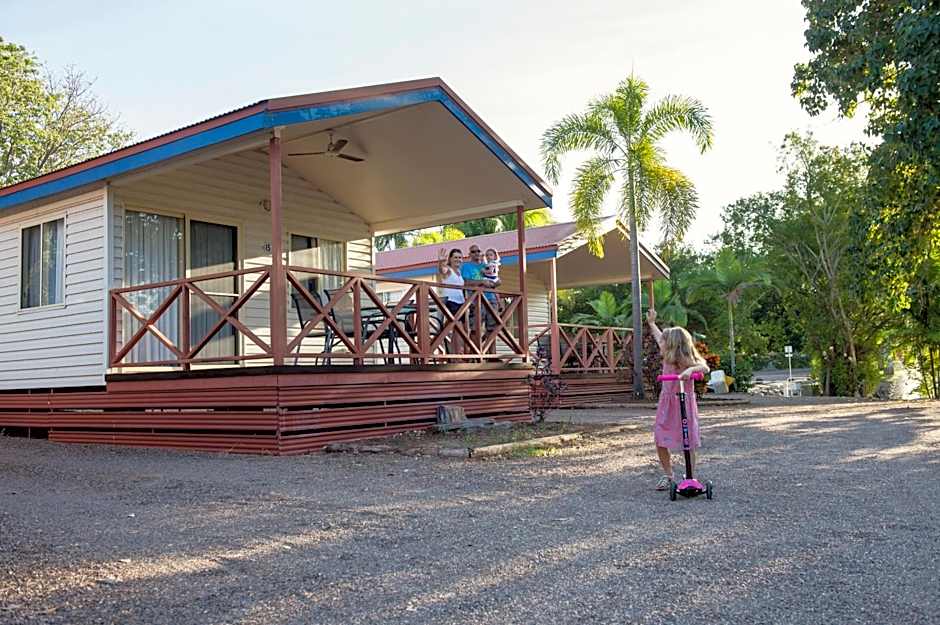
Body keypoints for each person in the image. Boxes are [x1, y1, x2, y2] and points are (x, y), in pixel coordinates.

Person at [646, 308, 710, 490]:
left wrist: (690, 371)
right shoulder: (667, 355)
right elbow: (659, 336)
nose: (661, 342)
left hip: (684, 402)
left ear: (673, 344)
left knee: (687, 439)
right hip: (668, 403)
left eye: (664, 341)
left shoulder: (686, 359)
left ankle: (691, 475)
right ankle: (668, 475)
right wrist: (651, 323)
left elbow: (704, 367)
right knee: (660, 437)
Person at [438, 248, 466, 353]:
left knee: (457, 330)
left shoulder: (459, 272)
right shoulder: (449, 270)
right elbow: (442, 270)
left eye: (460, 257)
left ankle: (455, 354)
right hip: (451, 301)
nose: (458, 259)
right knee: (458, 328)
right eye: (455, 257)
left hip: (461, 303)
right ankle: (458, 354)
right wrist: (440, 262)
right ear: (450, 259)